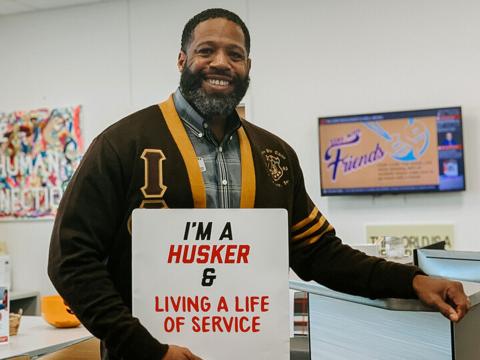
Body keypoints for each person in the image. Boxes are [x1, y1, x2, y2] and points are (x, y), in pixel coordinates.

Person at [48, 8, 470, 360]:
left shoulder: (276, 157)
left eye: (235, 54)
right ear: (181, 61)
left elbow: (321, 253)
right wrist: (145, 349)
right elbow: (71, 259)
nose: (220, 63)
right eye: (206, 50)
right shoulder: (122, 144)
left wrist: (412, 280)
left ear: (248, 66)